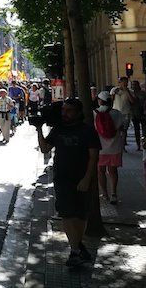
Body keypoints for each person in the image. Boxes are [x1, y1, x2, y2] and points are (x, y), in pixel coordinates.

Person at [36, 98, 100, 268]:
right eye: (63, 110)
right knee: (66, 214)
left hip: (82, 178)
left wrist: (87, 178)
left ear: (78, 112)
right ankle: (75, 251)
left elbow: (93, 157)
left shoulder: (87, 131)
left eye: (69, 110)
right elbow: (44, 149)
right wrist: (38, 129)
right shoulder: (58, 129)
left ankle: (78, 249)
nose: (65, 113)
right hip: (62, 178)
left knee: (80, 215)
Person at [94, 91, 127, 204]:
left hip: (99, 148)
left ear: (100, 101)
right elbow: (123, 127)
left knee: (100, 171)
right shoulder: (117, 113)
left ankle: (104, 194)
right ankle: (114, 193)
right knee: (113, 171)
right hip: (114, 147)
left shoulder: (94, 113)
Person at [111, 77, 135, 148]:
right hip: (116, 113)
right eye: (123, 82)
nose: (125, 84)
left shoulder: (130, 91)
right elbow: (111, 100)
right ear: (120, 83)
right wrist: (114, 93)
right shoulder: (114, 90)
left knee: (124, 130)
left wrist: (127, 91)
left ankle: (123, 145)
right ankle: (117, 144)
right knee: (116, 129)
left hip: (126, 113)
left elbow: (132, 101)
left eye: (126, 82)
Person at [131, 81, 146, 151]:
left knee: (144, 130)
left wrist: (145, 110)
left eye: (135, 85)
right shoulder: (131, 93)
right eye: (132, 85)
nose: (134, 86)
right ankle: (138, 145)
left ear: (138, 85)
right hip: (134, 114)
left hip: (142, 114)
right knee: (136, 130)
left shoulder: (143, 93)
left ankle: (144, 143)